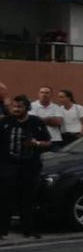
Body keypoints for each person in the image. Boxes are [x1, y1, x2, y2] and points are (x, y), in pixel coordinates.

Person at [0, 95, 52, 239]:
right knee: (5, 199)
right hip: (8, 165)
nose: (16, 109)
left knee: (27, 199)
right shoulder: (6, 122)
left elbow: (48, 142)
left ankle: (28, 230)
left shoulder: (36, 122)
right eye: (14, 106)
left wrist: (36, 143)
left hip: (30, 166)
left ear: (27, 108)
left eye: (19, 107)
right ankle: (2, 230)